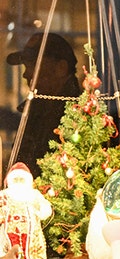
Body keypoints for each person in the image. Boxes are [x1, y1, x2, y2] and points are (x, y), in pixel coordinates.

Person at [6, 32, 82, 177]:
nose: (26, 74)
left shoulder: (79, 117)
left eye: (33, 65)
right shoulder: (36, 111)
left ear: (61, 68)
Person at [0, 162, 52, 259]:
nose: (18, 182)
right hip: (8, 235)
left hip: (32, 236)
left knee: (32, 255)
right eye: (16, 179)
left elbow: (46, 209)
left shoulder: (34, 194)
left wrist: (40, 211)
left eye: (21, 179)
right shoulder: (4, 195)